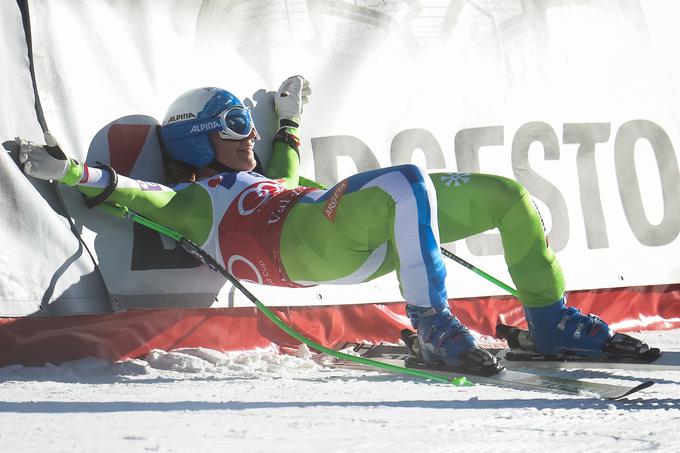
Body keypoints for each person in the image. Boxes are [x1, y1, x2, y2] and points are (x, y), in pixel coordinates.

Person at [17, 76, 653, 373]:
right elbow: (131, 192)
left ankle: (550, 319)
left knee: (508, 196)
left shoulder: (264, 175)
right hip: (302, 249)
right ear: (199, 140)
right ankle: (432, 326)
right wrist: (69, 172)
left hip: (344, 231)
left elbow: (285, 164)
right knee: (406, 180)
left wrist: (288, 120)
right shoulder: (196, 200)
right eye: (236, 127)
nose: (250, 137)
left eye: (250, 125)